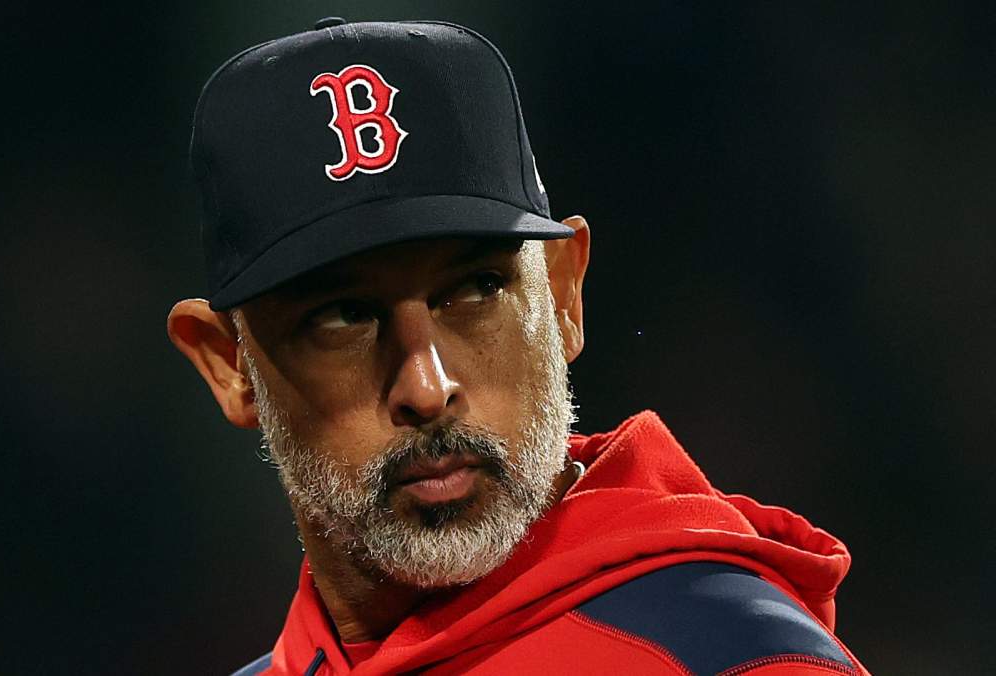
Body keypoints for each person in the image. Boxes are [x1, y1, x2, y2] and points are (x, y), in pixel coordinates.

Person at [168, 18, 869, 676]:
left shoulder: (731, 657)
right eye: (344, 316)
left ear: (563, 296)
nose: (426, 387)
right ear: (230, 366)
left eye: (475, 289)